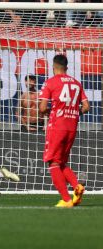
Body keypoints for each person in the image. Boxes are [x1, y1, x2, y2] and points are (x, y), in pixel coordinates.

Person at [38, 54, 90, 208]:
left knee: (52, 162)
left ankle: (66, 199)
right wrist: (74, 112)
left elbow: (41, 108)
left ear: (53, 67)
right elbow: (86, 107)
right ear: (66, 67)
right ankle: (77, 186)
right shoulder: (76, 83)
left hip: (57, 126)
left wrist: (49, 111)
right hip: (72, 127)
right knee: (61, 162)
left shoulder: (50, 82)